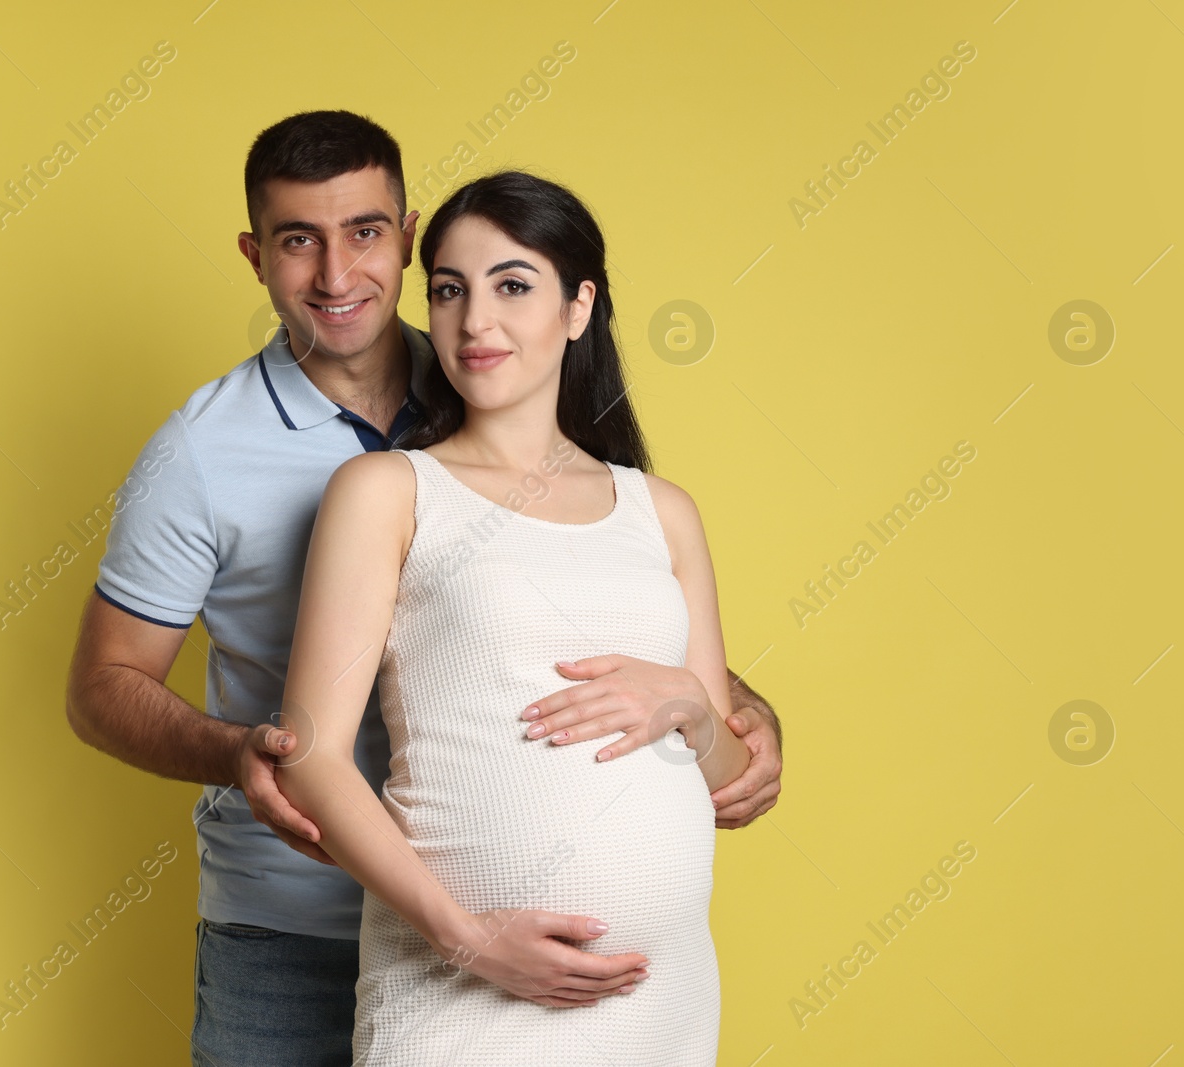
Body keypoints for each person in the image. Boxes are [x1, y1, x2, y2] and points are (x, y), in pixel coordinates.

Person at [63, 110, 784, 1067]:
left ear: (405, 236)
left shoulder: (489, 377)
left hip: (628, 988)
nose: (334, 272)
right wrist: (249, 750)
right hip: (300, 918)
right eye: (296, 240)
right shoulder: (206, 454)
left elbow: (570, 620)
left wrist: (722, 704)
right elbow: (102, 687)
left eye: (364, 232)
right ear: (255, 255)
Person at [271, 169, 740, 1065]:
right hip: (461, 992)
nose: (474, 322)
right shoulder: (390, 491)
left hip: (660, 1001)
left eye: (512, 286)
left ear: (578, 306)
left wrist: (687, 702)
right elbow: (311, 756)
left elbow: (725, 775)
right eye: (448, 290)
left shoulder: (663, 510)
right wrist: (468, 939)